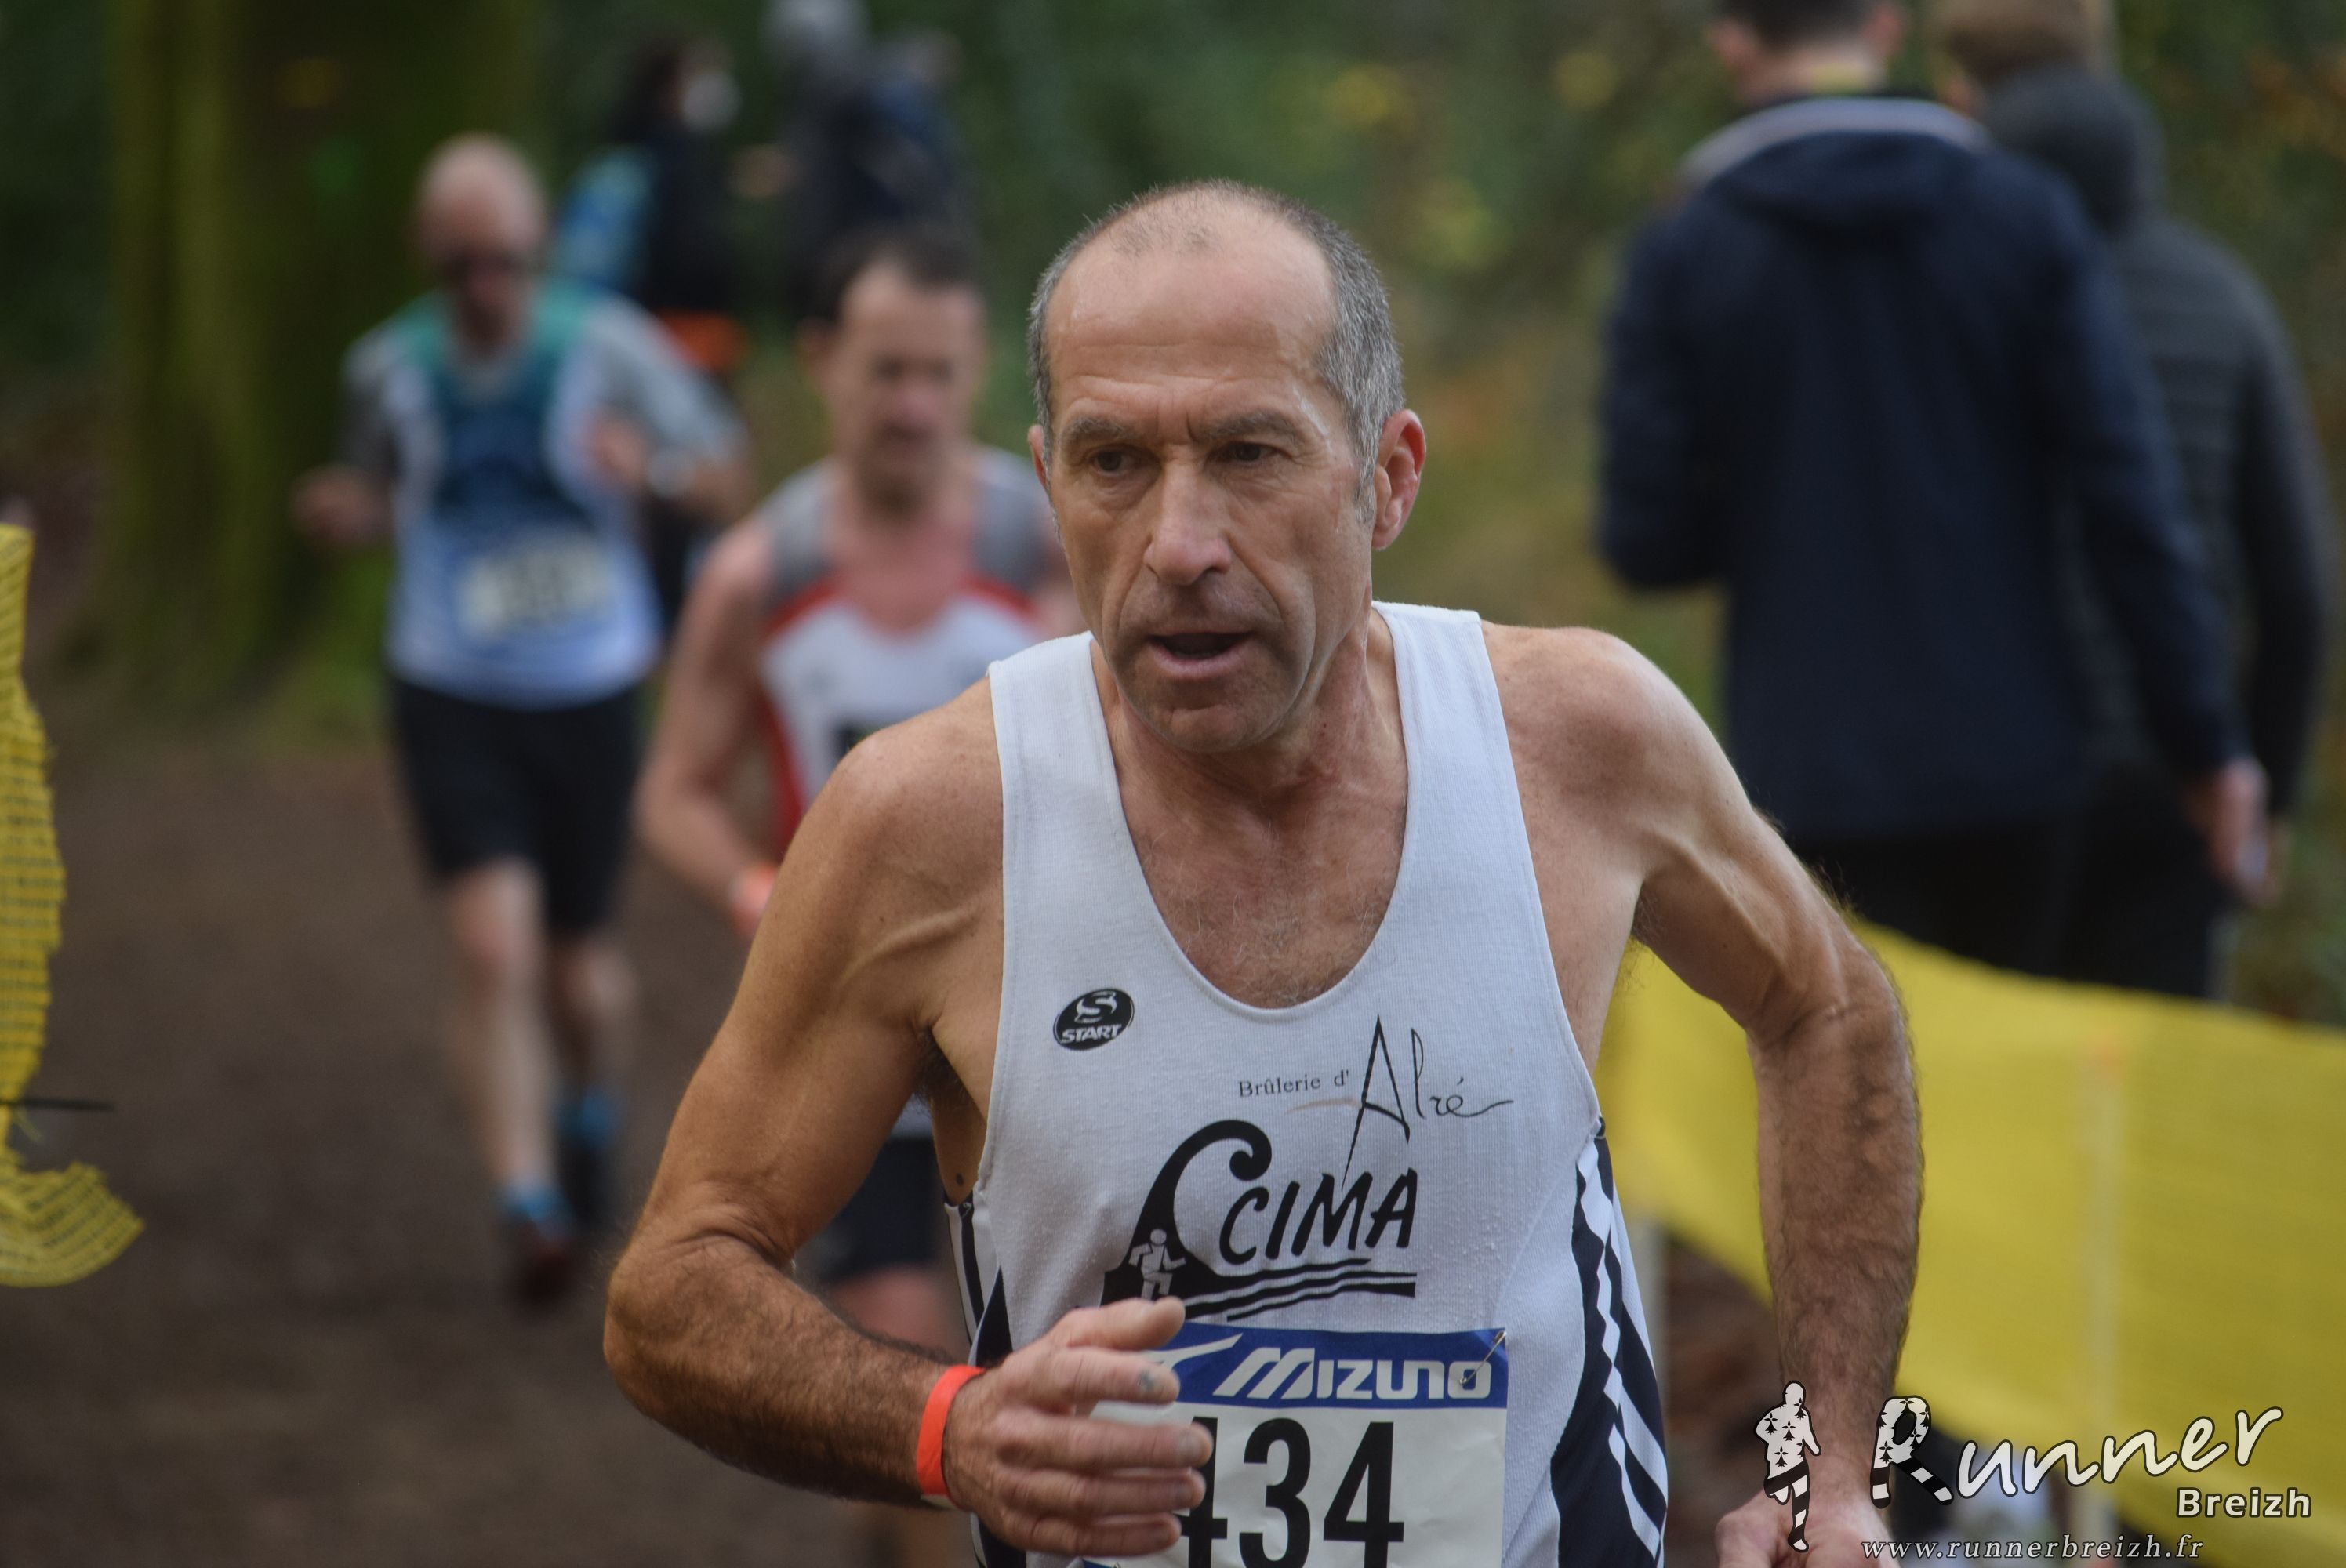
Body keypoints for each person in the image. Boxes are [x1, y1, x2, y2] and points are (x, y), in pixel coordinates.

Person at [607, 180, 1920, 1568]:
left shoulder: (1577, 745)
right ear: (1047, 484)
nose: (1179, 545)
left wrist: (1827, 1471)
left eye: (1248, 453)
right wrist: (952, 1428)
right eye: (1114, 463)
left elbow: (1826, 1007)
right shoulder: (929, 822)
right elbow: (672, 1287)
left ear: (1388, 477)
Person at [1599, 0, 2269, 978]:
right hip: (2017, 770)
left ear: (1731, 38)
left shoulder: (1684, 244)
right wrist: (2204, 746)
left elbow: (1647, 540)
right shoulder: (2023, 213)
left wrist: (1778, 506)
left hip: (1811, 777)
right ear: (1883, 24)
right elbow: (2128, 502)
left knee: (1847, 1064)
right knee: (2009, 1063)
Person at [634, 223, 1063, 1568]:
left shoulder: (1045, 539)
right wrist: (755, 887)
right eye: (886, 371)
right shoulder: (757, 574)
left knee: (1060, 1364)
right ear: (821, 361)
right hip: (857, 1022)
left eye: (940, 371)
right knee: (912, 1377)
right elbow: (674, 788)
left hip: (1043, 1016)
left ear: (978, 367)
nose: (914, 405)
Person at [292, 136, 750, 1305]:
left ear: (536, 243)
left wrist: (650, 472)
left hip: (589, 689)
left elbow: (724, 472)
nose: (484, 286)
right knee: (492, 948)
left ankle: (588, 1109)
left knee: (579, 971)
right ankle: (530, 1204)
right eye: (461, 267)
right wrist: (348, 513)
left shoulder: (609, 347)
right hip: (449, 686)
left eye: (502, 260)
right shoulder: (384, 368)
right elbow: (380, 492)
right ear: (427, 258)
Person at [1935, 20, 2335, 997]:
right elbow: (2297, 587)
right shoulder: (2221, 299)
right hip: (2176, 784)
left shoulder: (1949, 296)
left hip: (1984, 778)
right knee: (2149, 1073)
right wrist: (2263, 788)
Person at [554, 34, 749, 632]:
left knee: (696, 496)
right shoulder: (632, 173)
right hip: (654, 363)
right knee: (660, 498)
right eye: (699, 76)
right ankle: (657, 627)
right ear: (668, 86)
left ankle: (686, 622)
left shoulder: (688, 164)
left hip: (704, 358)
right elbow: (586, 283)